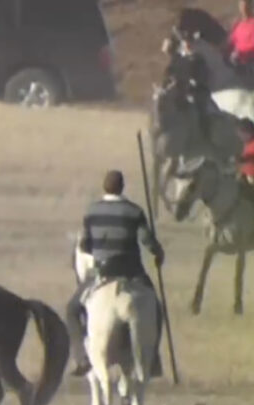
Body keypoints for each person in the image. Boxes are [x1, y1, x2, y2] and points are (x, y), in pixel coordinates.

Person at [66, 170, 165, 377]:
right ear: (123, 188)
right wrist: (158, 252)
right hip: (132, 273)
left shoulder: (91, 211)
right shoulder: (134, 211)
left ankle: (82, 358)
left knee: (72, 309)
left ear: (105, 187)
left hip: (102, 272)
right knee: (156, 307)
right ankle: (153, 358)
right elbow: (147, 240)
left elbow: (84, 245)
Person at [163, 38, 215, 142]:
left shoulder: (198, 59)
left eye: (189, 45)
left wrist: (194, 82)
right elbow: (171, 75)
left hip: (198, 90)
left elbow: (203, 75)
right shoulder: (179, 59)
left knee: (200, 107)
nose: (187, 48)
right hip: (181, 89)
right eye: (185, 45)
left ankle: (204, 134)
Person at [227, 0, 254, 73]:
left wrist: (240, 54)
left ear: (251, 6)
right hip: (235, 61)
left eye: (246, 5)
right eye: (242, 5)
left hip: (250, 64)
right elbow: (231, 42)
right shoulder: (237, 24)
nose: (244, 8)